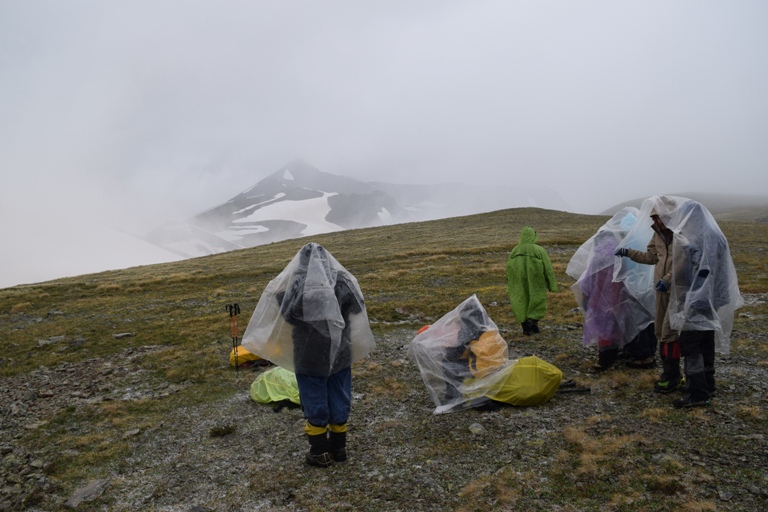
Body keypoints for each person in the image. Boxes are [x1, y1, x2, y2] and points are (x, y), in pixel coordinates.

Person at [240, 242, 376, 467]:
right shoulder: (341, 281)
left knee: (314, 397)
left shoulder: (298, 284)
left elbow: (290, 315)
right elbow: (356, 307)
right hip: (340, 352)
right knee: (339, 394)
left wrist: (280, 296)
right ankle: (339, 448)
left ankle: (320, 451)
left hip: (309, 355)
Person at [666, 200, 742, 407]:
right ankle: (707, 383)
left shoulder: (703, 238)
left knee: (690, 343)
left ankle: (697, 393)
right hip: (712, 298)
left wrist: (693, 298)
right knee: (705, 339)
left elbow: (703, 269)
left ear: (692, 218)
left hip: (701, 298)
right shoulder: (713, 234)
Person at [567, 208, 656, 371]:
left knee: (606, 325)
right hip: (633, 291)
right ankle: (643, 353)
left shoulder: (603, 252)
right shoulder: (631, 243)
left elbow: (591, 276)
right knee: (640, 321)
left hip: (606, 296)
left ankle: (610, 358)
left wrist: (586, 293)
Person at [615, 197, 682, 393]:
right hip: (661, 290)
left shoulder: (681, 235)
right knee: (660, 332)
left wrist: (668, 278)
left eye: (658, 217)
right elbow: (652, 257)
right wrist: (628, 252)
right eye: (653, 218)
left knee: (670, 333)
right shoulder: (658, 234)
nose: (655, 221)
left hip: (678, 291)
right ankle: (670, 373)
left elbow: (686, 261)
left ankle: (672, 375)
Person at [506, 226, 558, 335]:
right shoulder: (538, 250)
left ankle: (526, 327)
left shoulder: (515, 250)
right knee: (537, 298)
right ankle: (533, 320)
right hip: (536, 279)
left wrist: (510, 284)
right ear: (533, 236)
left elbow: (509, 268)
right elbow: (548, 268)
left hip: (518, 280)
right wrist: (552, 285)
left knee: (521, 300)